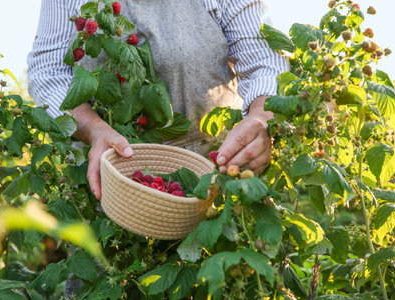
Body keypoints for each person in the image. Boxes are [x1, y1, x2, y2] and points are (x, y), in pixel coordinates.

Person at [27, 0, 289, 200]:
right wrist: (93, 128)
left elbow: (264, 61)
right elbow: (48, 71)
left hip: (215, 168)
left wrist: (260, 117)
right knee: (109, 265)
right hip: (110, 173)